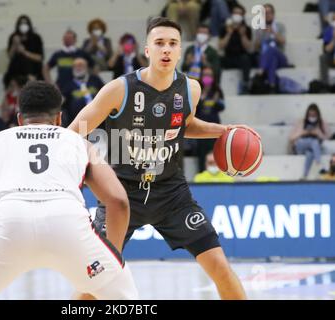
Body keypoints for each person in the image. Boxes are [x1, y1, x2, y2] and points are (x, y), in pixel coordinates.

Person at [69, 17, 256, 300]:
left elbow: (184, 125)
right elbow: (75, 131)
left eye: (172, 44)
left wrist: (223, 131)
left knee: (220, 266)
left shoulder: (191, 89)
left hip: (171, 192)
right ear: (147, 50)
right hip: (122, 193)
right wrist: (93, 165)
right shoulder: (120, 89)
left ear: (181, 51)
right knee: (98, 280)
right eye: (159, 43)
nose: (166, 49)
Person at [0, 81, 138, 300]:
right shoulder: (78, 142)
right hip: (68, 224)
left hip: (10, 226)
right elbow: (118, 201)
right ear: (59, 118)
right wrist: (112, 256)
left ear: (19, 119)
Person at [195, 66, 225, 172]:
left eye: (210, 75)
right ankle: (202, 176)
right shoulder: (196, 90)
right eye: (205, 75)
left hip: (214, 129)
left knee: (215, 154)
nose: (207, 77)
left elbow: (222, 107)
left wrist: (216, 101)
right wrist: (201, 98)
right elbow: (192, 109)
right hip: (200, 128)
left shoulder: (217, 90)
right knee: (202, 156)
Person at [290, 103, 331, 180]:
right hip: (300, 146)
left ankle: (305, 175)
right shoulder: (301, 122)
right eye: (310, 115)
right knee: (313, 142)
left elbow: (328, 138)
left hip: (313, 149)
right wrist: (303, 132)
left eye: (314, 115)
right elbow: (291, 138)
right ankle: (319, 165)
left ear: (317, 114)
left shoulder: (322, 123)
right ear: (307, 114)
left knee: (310, 152)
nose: (312, 117)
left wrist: (317, 133)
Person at [253, 4, 288, 92]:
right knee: (272, 60)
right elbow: (256, 47)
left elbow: (283, 41)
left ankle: (261, 71)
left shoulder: (280, 26)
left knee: (271, 50)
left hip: (280, 56)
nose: (267, 15)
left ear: (273, 14)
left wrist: (273, 32)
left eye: (269, 12)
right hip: (266, 58)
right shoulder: (259, 28)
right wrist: (261, 35)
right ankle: (272, 86)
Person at [61, 58, 105, 128]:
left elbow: (105, 92)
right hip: (79, 121)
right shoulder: (68, 84)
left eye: (81, 65)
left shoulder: (95, 79)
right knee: (83, 135)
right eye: (75, 66)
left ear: (86, 67)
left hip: (98, 118)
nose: (78, 68)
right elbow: (61, 100)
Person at [218, 4, 252, 93]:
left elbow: (248, 47)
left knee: (246, 58)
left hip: (241, 57)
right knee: (217, 60)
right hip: (228, 57)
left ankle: (245, 84)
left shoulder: (247, 29)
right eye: (235, 13)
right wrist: (229, 33)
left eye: (239, 13)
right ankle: (216, 86)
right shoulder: (224, 28)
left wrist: (243, 35)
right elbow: (221, 46)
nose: (237, 15)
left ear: (242, 16)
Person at [3, 15, 44, 88]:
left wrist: (24, 52)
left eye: (25, 23)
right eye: (21, 23)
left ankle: (30, 78)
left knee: (24, 59)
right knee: (18, 59)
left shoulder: (36, 38)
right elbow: (10, 56)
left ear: (29, 25)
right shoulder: (13, 37)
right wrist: (14, 45)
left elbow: (39, 58)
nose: (23, 25)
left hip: (33, 69)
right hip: (16, 71)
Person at [320, 12, 335, 84]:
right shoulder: (329, 30)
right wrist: (334, 39)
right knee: (323, 57)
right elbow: (326, 50)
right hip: (332, 57)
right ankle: (325, 84)